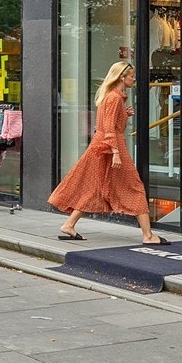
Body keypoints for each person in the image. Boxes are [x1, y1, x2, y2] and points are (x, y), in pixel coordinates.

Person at [49, 60, 169, 244]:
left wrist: (123, 114)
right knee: (134, 187)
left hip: (101, 145)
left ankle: (69, 225)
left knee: (94, 186)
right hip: (110, 146)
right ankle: (148, 236)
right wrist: (116, 152)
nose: (134, 79)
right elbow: (109, 128)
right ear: (121, 77)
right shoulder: (114, 98)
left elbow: (108, 123)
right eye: (131, 76)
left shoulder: (112, 97)